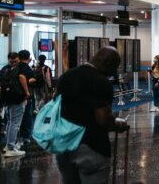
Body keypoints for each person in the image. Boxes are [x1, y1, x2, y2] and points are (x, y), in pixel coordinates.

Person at [56, 47, 130, 183]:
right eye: (114, 68)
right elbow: (103, 120)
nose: (113, 73)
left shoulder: (66, 77)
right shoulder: (100, 81)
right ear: (108, 64)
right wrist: (119, 124)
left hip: (63, 145)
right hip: (90, 146)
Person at [0, 52, 28, 157]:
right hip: (17, 98)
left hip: (6, 99)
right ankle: (11, 147)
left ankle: (8, 145)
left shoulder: (4, 69)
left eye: (15, 61)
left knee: (10, 123)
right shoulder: (19, 68)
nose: (14, 63)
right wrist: (27, 93)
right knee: (15, 124)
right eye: (12, 61)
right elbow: (22, 79)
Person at [18, 50, 37, 146]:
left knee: (14, 119)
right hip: (26, 96)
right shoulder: (27, 68)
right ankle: (26, 137)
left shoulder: (15, 67)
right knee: (27, 116)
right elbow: (31, 79)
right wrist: (27, 87)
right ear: (28, 57)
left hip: (15, 96)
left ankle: (16, 137)